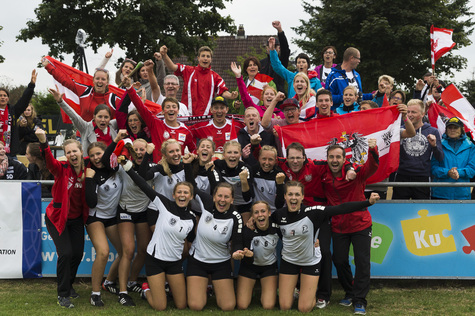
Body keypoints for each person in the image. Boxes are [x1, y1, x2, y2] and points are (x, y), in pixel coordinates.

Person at [273, 181, 381, 312]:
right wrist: (251, 222)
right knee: (284, 306)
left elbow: (341, 208)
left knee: (304, 308)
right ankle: (297, 291)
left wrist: (367, 202)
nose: (293, 198)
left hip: (309, 261)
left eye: (297, 194)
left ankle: (309, 294)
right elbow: (265, 226)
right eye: (290, 194)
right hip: (289, 261)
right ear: (285, 196)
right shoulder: (278, 215)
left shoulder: (312, 212)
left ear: (302, 197)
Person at [120, 157, 196, 311]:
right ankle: (146, 290)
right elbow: (143, 185)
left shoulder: (192, 218)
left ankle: (162, 289)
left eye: (186, 193)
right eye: (179, 192)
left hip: (174, 263)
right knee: (160, 307)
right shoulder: (164, 204)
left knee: (181, 305)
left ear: (191, 196)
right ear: (174, 195)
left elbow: (191, 241)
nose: (182, 195)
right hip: (155, 260)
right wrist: (128, 167)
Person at [321, 140, 379, 315]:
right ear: (327, 159)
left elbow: (373, 166)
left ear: (344, 159)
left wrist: (372, 149)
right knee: (339, 261)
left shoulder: (356, 172)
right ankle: (350, 291)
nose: (334, 160)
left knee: (362, 263)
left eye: (338, 156)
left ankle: (360, 300)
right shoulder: (323, 174)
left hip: (360, 224)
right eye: (331, 156)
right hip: (338, 226)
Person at [35, 128, 89, 308]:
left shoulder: (87, 168)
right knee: (65, 253)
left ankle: (69, 285)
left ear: (81, 152)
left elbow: (102, 158)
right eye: (68, 152)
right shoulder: (61, 169)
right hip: (57, 218)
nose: (72, 154)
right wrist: (44, 142)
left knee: (77, 254)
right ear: (65, 156)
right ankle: (63, 294)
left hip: (76, 219)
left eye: (75, 151)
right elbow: (49, 162)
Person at [101, 135, 153, 306]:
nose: (139, 152)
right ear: (131, 152)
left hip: (143, 212)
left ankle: (132, 281)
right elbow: (107, 161)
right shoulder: (124, 166)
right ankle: (122, 292)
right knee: (128, 251)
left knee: (144, 249)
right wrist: (116, 141)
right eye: (136, 149)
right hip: (125, 212)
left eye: (142, 149)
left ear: (148, 151)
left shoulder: (152, 168)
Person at [184, 180, 243, 311]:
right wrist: (187, 164)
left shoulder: (235, 217)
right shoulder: (207, 203)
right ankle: (203, 290)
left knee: (227, 306)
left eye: (227, 197)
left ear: (232, 199)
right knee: (196, 305)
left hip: (221, 263)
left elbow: (238, 241)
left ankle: (215, 289)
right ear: (214, 196)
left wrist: (237, 251)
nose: (222, 200)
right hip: (198, 261)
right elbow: (192, 186)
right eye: (220, 196)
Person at [123, 71, 196, 161]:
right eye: (168, 107)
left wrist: (190, 158)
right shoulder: (155, 124)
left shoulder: (186, 131)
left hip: (178, 172)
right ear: (162, 111)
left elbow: (194, 150)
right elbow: (140, 107)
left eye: (174, 107)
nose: (171, 109)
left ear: (178, 111)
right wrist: (129, 88)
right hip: (159, 170)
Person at [84, 141, 123, 307]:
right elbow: (91, 203)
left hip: (112, 217)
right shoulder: (91, 172)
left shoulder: (115, 167)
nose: (95, 158)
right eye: (92, 155)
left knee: (125, 253)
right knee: (103, 252)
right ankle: (95, 293)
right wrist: (89, 179)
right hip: (96, 217)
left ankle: (108, 282)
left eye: (98, 154)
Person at [160, 45, 238, 116]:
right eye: (203, 56)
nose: (205, 58)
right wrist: (164, 55)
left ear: (211, 59)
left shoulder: (215, 76)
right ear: (198, 58)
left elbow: (222, 91)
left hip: (206, 118)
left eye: (208, 56)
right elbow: (173, 67)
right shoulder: (188, 70)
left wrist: (231, 95)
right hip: (187, 116)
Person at [392, 99, 444, 199]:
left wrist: (434, 146)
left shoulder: (433, 131)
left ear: (422, 114)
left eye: (414, 112)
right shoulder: (400, 130)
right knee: (399, 210)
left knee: (422, 210)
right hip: (402, 175)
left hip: (422, 176)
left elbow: (440, 158)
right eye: (408, 112)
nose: (410, 115)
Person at [42, 58, 121, 121]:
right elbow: (65, 80)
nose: (100, 81)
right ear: (93, 80)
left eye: (103, 79)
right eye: (97, 78)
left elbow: (128, 109)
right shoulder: (84, 91)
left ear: (107, 82)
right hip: (83, 136)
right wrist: (48, 66)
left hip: (105, 138)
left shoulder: (114, 98)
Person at [235, 201, 280, 310]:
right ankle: (250, 290)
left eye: (263, 211)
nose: (260, 215)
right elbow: (247, 259)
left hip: (269, 267)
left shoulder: (277, 227)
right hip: (249, 267)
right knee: (242, 305)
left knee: (268, 306)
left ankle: (267, 293)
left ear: (269, 213)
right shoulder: (247, 230)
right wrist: (249, 256)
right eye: (256, 212)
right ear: (252, 216)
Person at [49, 86, 118, 155]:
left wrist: (128, 87)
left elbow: (124, 115)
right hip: (90, 165)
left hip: (112, 164)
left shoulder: (112, 125)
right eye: (100, 117)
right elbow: (74, 116)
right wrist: (61, 102)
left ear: (110, 118)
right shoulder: (86, 127)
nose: (103, 120)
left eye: (106, 117)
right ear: (94, 117)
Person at [208, 140, 253, 223]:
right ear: (224, 154)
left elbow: (247, 198)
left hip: (242, 204)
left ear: (240, 154)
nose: (232, 155)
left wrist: (244, 181)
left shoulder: (246, 168)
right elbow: (215, 189)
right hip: (224, 203)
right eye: (229, 152)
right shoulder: (217, 165)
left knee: (246, 228)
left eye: (236, 152)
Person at [431, 117, 475, 200]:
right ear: (446, 129)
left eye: (455, 128)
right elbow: (433, 168)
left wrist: (458, 172)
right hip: (440, 194)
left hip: (462, 194)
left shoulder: (471, 147)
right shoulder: (438, 145)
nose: (452, 130)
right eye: (450, 127)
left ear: (462, 129)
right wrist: (448, 172)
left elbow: (472, 170)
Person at [0, 70, 37, 157]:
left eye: (5, 96)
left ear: (8, 99)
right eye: (0, 95)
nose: (2, 97)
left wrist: (31, 85)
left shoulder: (12, 111)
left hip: (9, 152)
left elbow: (24, 101)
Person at [259, 20, 291, 94]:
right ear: (267, 48)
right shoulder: (261, 63)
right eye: (270, 45)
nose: (272, 47)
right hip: (264, 97)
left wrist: (280, 31)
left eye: (275, 46)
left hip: (279, 96)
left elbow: (285, 49)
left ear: (279, 48)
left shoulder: (282, 61)